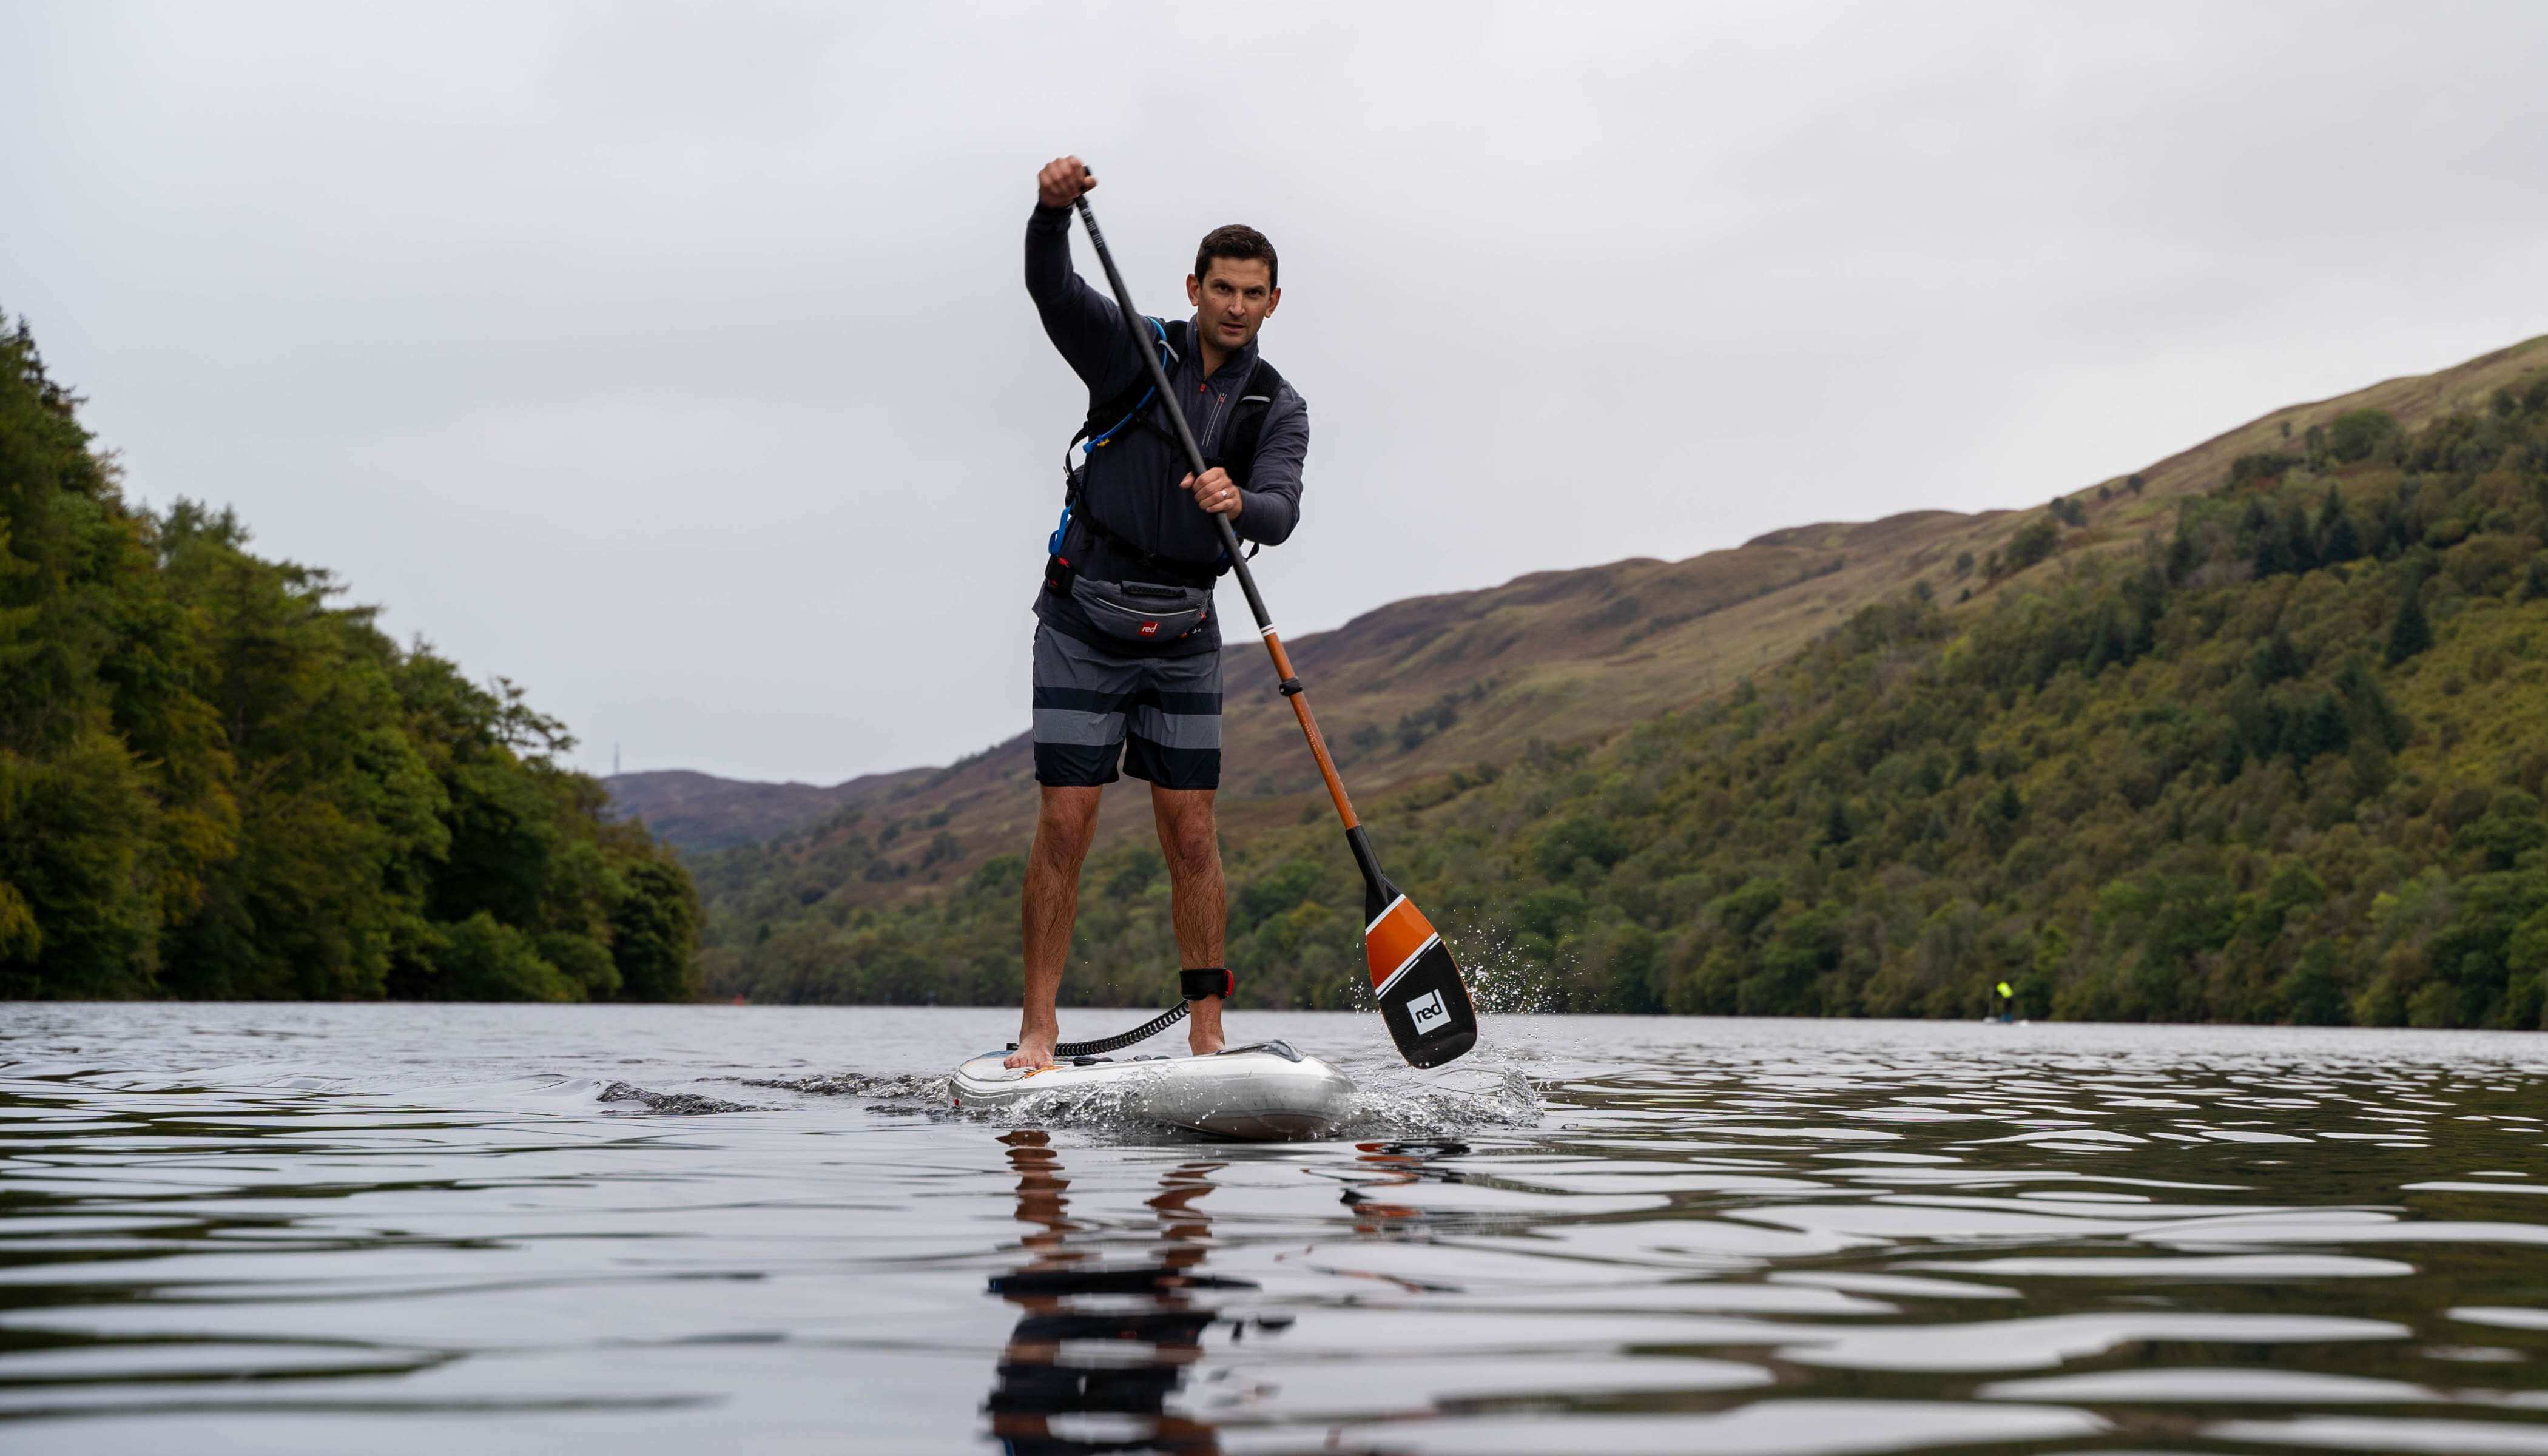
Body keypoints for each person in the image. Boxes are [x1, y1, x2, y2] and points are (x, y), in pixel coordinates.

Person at [1006, 155, 1308, 1070]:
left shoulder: (1276, 405)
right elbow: (1051, 290)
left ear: (1273, 302)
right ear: (1194, 287)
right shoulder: (1134, 349)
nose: (1235, 305)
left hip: (1185, 631)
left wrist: (1239, 505)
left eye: (1253, 293)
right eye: (1221, 288)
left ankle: (1206, 1029)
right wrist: (1050, 215)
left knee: (1192, 829)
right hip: (1082, 620)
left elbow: (1282, 513)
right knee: (1067, 820)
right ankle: (1039, 1028)